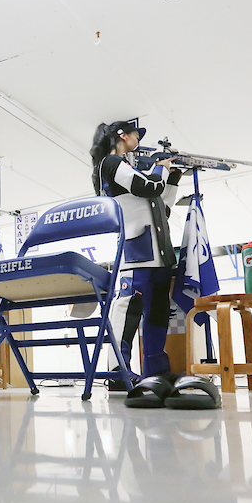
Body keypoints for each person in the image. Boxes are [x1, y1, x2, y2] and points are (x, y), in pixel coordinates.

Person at [90, 120, 183, 388]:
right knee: (128, 309)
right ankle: (118, 372)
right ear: (122, 136)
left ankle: (157, 370)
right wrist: (160, 168)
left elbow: (162, 207)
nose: (138, 140)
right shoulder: (111, 163)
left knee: (157, 314)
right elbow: (149, 187)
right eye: (135, 135)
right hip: (137, 251)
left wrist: (171, 180)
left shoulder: (129, 168)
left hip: (158, 253)